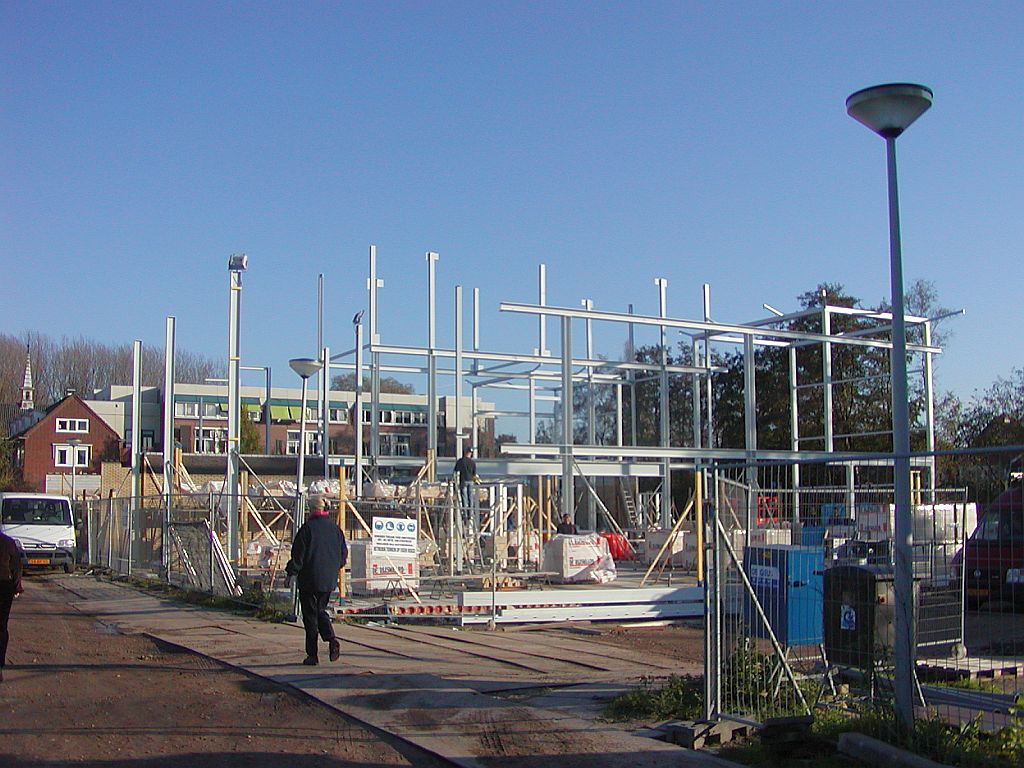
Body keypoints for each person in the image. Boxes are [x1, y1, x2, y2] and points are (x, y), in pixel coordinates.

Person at [285, 495, 347, 666]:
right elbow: (343, 554)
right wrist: (334, 567)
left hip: (309, 579)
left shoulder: (307, 529)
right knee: (320, 610)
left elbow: (299, 556)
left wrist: (291, 573)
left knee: (310, 617)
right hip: (328, 579)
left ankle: (313, 654)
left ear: (311, 509)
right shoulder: (336, 529)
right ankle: (331, 639)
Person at [1, 530, 24, 683]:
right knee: (1, 626)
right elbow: (16, 566)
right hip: (4, 588)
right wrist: (17, 587)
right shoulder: (8, 542)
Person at [453, 446, 479, 511]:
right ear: (471, 453)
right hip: (471, 481)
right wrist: (476, 480)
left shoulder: (461, 461)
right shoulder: (473, 463)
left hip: (463, 481)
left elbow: (455, 471)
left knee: (464, 497)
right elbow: (474, 474)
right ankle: (470, 513)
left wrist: (454, 481)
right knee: (470, 497)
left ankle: (465, 513)